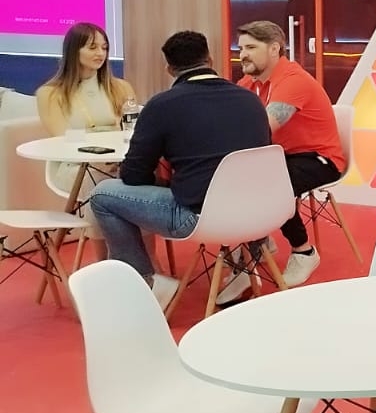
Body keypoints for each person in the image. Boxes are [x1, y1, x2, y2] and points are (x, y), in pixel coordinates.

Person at [86, 32, 271, 310]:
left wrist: (162, 181)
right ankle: (242, 267)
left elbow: (133, 175)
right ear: (210, 60)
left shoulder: (161, 105)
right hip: (259, 212)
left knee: (103, 195)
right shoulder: (250, 100)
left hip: (198, 217)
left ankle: (147, 281)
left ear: (169, 69)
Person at [228, 20, 346, 297]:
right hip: (280, 156)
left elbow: (263, 128)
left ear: (274, 49)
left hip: (319, 159)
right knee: (241, 177)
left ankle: (303, 251)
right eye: (241, 48)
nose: (243, 55)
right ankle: (257, 243)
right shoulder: (250, 83)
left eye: (251, 48)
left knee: (269, 184)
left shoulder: (293, 80)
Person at [34, 22, 136, 195]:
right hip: (75, 165)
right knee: (110, 185)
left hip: (118, 161)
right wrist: (103, 147)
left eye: (104, 48)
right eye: (92, 47)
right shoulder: (50, 93)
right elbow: (63, 137)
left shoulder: (121, 87)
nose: (100, 53)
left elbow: (133, 130)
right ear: (74, 51)